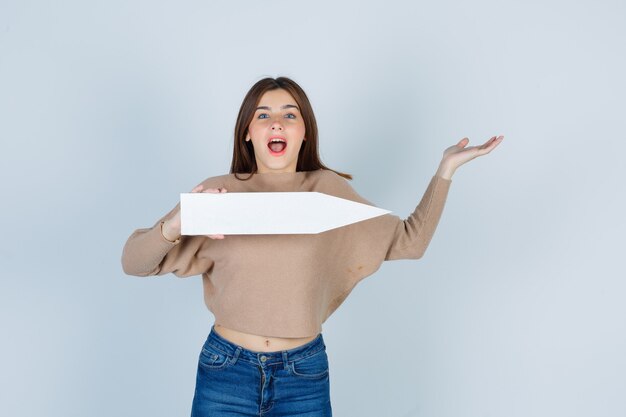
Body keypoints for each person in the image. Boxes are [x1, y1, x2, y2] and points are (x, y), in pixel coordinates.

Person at [121, 76, 504, 416]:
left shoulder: (327, 191)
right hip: (226, 373)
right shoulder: (221, 192)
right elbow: (133, 262)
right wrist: (176, 223)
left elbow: (410, 241)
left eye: (290, 115)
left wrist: (446, 171)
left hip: (302, 376)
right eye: (263, 115)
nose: (276, 122)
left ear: (305, 132)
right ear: (247, 133)